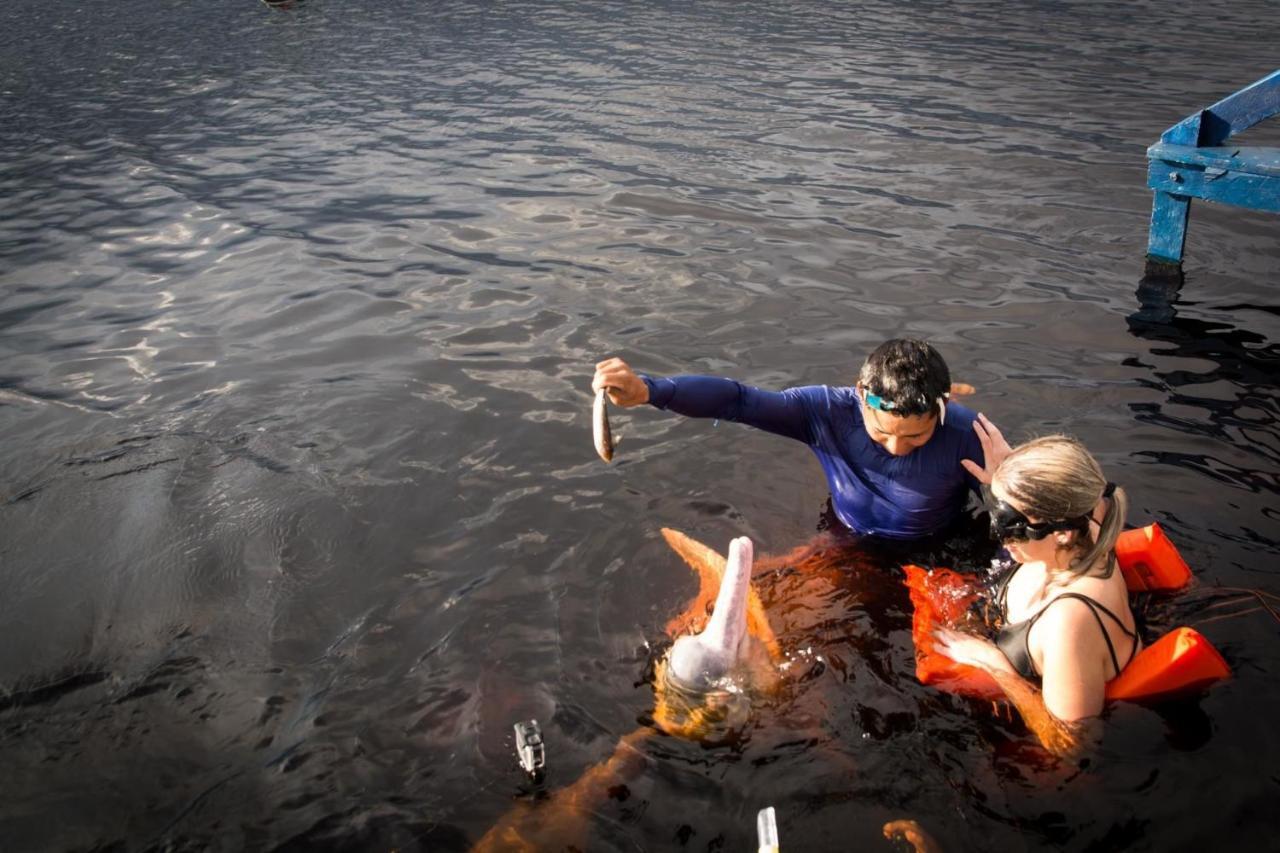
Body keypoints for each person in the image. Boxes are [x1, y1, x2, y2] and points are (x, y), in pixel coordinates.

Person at [592, 339, 1009, 541]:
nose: (897, 446)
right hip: (845, 537)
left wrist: (1010, 488)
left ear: (942, 408)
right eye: (881, 432)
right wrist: (649, 391)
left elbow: (1020, 524)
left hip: (935, 556)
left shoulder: (967, 436)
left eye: (917, 436)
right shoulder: (827, 412)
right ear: (860, 397)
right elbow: (740, 400)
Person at [933, 436, 1140, 723]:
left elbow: (1073, 744)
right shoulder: (1087, 521)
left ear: (1062, 533)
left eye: (1009, 524)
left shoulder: (1069, 623)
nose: (997, 533)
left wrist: (995, 666)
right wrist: (1012, 481)